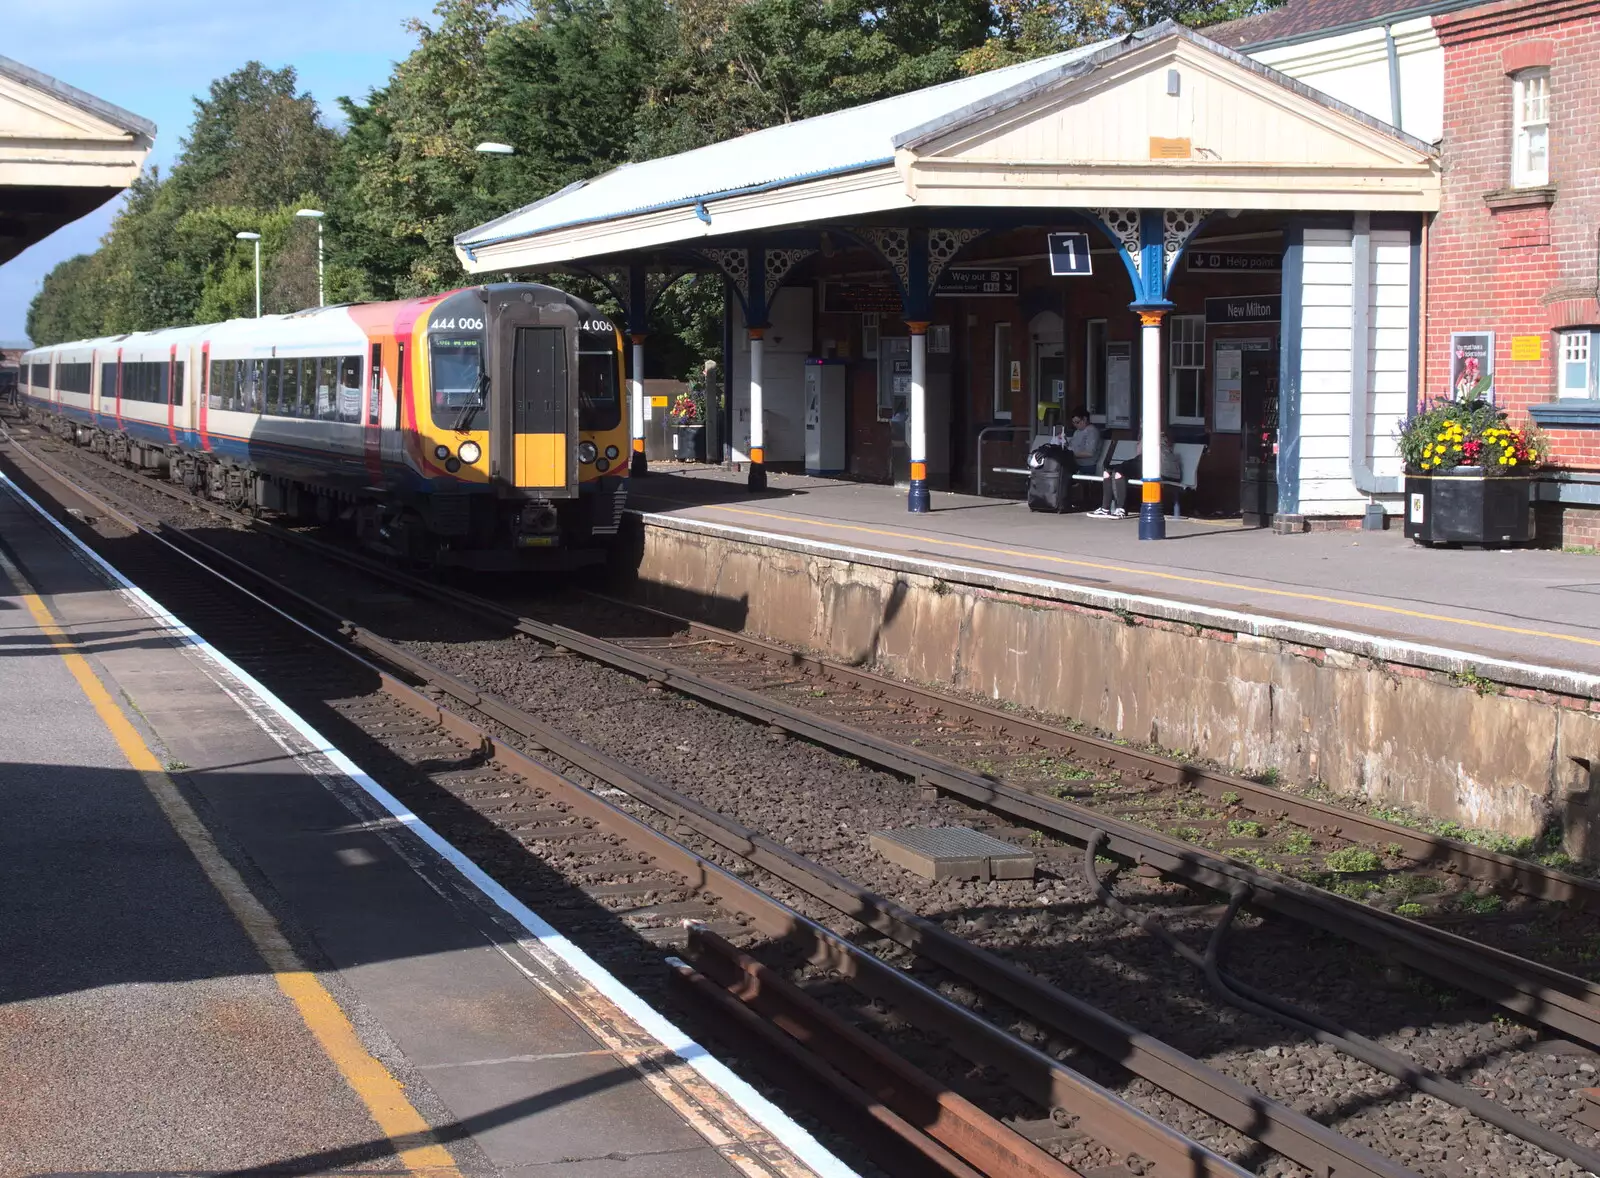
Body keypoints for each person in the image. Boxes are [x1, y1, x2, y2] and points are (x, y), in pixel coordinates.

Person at [1090, 432, 1180, 519]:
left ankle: (1117, 508)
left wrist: (1142, 439)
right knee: (1113, 471)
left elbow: (1139, 452)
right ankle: (1108, 508)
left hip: (1157, 471)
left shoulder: (1152, 438)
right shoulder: (1163, 443)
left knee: (1117, 471)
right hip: (1155, 469)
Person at [1065, 410, 1102, 475]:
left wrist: (1071, 454)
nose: (1075, 425)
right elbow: (1072, 446)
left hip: (1086, 466)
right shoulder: (1077, 432)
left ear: (1085, 419)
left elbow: (1090, 453)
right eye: (1073, 423)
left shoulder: (1092, 431)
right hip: (1075, 464)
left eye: (1077, 422)